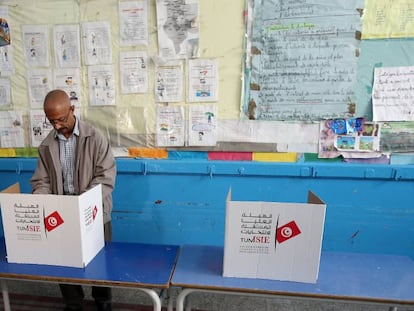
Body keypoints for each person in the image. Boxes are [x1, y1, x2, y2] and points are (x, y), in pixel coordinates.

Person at [30, 89, 116, 311]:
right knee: (64, 261)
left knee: (100, 261)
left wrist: (84, 203)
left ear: (72, 110)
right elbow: (41, 180)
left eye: (61, 119)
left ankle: (103, 302)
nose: (57, 126)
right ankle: (73, 303)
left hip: (94, 212)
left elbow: (105, 178)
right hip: (61, 213)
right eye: (52, 121)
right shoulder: (46, 146)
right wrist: (42, 200)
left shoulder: (95, 138)